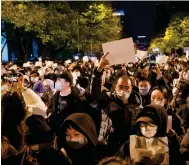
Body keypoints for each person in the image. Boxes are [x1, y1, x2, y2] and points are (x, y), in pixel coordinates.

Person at [92, 53, 142, 155]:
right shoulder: (108, 100)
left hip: (130, 148)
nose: (124, 90)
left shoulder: (138, 104)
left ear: (131, 88)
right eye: (120, 87)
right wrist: (99, 70)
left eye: (127, 87)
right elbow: (95, 95)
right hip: (110, 148)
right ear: (115, 87)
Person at [116, 105, 185, 165]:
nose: (145, 129)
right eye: (142, 125)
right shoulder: (130, 144)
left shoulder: (170, 146)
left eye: (151, 126)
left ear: (161, 125)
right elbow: (116, 161)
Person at [47, 71, 101, 135]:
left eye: (59, 80)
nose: (56, 82)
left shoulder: (78, 98)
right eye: (56, 80)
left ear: (67, 83)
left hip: (71, 134)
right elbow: (50, 108)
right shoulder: (55, 96)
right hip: (57, 133)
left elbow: (93, 108)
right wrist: (49, 114)